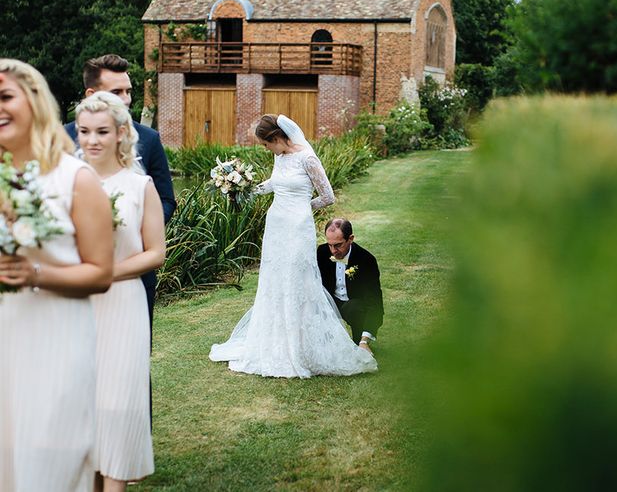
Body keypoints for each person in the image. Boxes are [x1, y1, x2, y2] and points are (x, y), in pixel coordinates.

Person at [0, 59, 113, 491]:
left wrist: (35, 273)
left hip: (56, 341)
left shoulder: (75, 179)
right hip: (5, 335)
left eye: (6, 96)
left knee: (50, 467)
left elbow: (101, 272)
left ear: (34, 101)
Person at [210, 114, 377, 378]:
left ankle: (301, 346)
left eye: (267, 145)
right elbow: (275, 185)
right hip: (276, 225)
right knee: (275, 280)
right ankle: (276, 341)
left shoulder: (307, 158)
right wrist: (243, 187)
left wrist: (302, 208)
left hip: (298, 228)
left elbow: (327, 196)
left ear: (276, 138)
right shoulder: (279, 157)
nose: (266, 150)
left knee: (297, 281)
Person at [76, 91, 165, 491]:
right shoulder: (65, 185)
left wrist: (108, 271)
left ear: (119, 134)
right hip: (75, 308)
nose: (91, 140)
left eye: (101, 132)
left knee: (117, 406)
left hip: (123, 305)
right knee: (82, 412)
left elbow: (156, 254)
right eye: (83, 132)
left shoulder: (139, 186)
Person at [64, 53, 175, 328]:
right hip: (75, 275)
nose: (125, 99)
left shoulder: (149, 139)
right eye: (117, 92)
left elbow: (166, 199)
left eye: (128, 91)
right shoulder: (62, 139)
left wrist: (132, 223)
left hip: (133, 273)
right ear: (92, 94)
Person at [317, 218, 384, 353]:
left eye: (338, 245)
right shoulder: (322, 252)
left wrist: (365, 340)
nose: (333, 251)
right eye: (330, 245)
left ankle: (359, 340)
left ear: (351, 239)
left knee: (354, 308)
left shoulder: (366, 260)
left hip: (354, 307)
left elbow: (375, 303)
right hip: (330, 304)